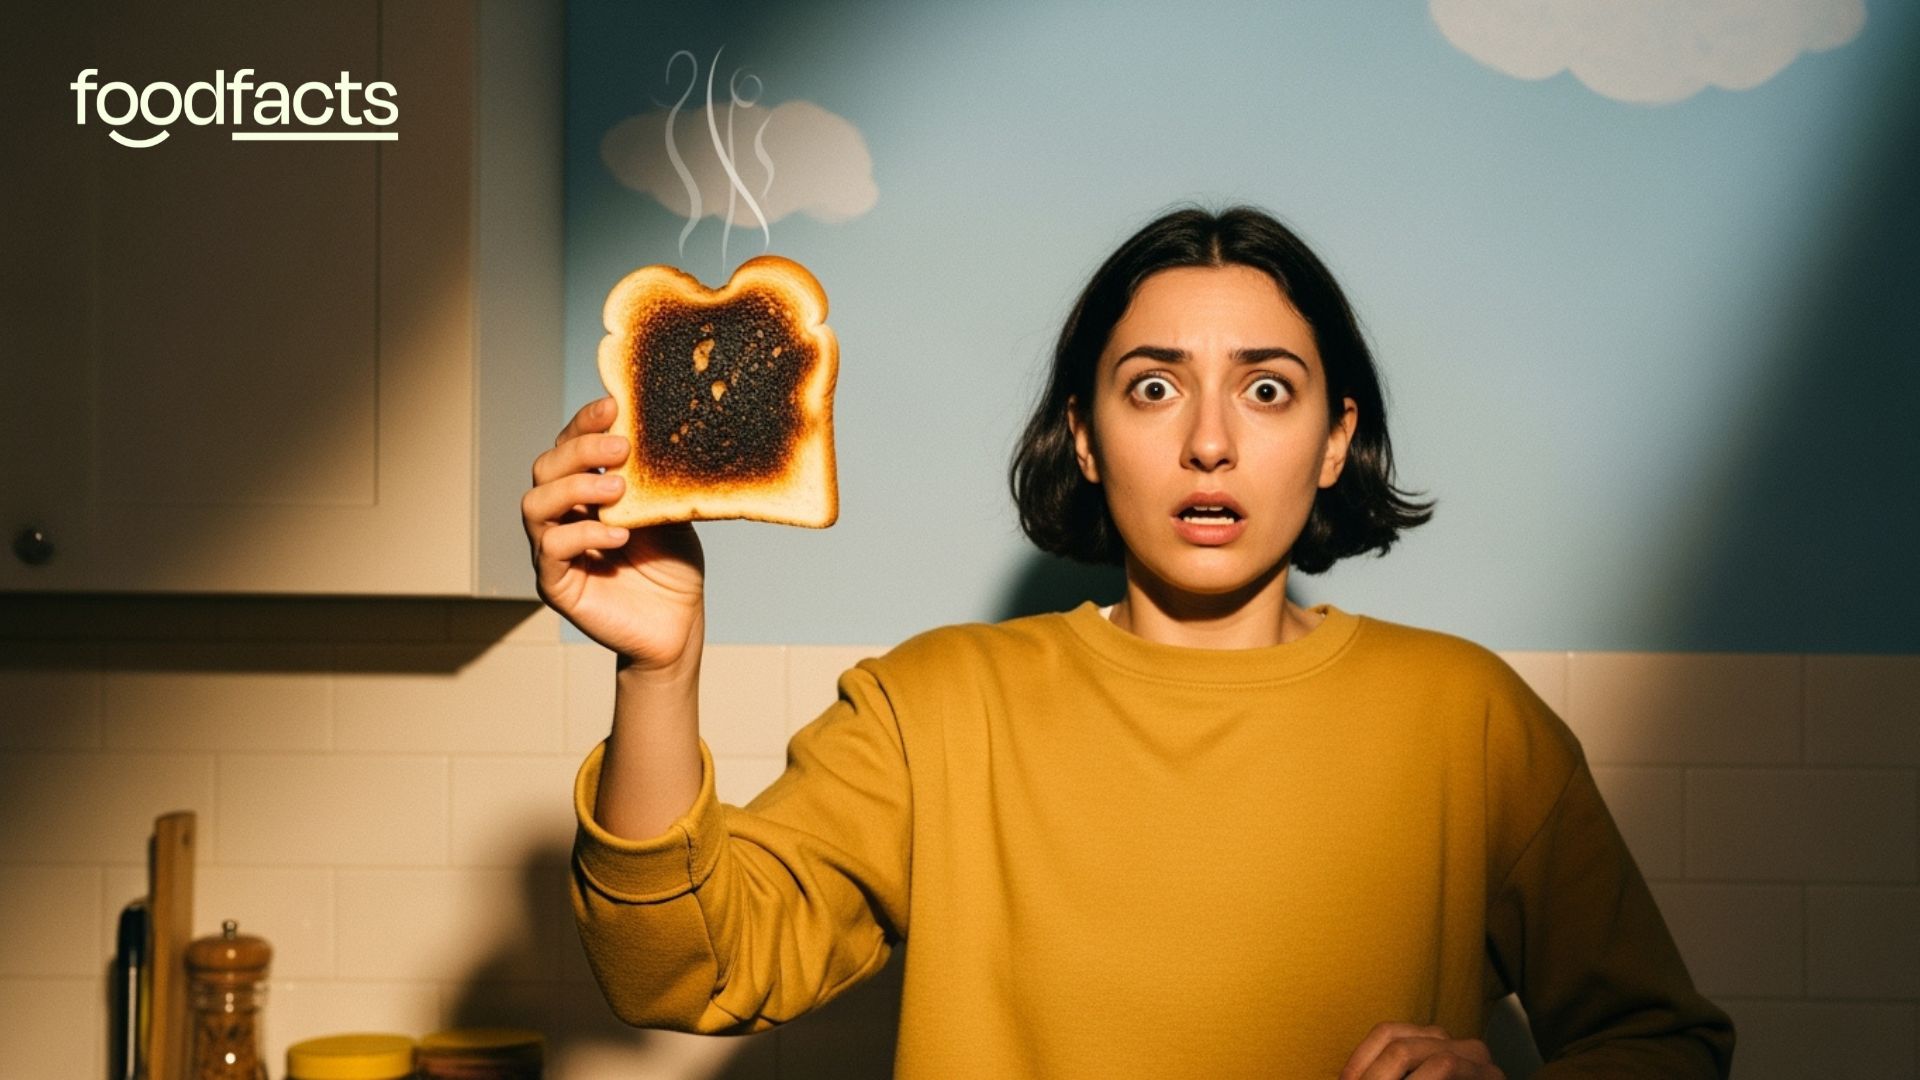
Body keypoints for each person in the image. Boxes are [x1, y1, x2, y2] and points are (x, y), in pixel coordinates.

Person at [522, 206, 1737, 1078]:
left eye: (1267, 389)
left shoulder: (1472, 717)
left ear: (1332, 438)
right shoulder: (935, 704)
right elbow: (679, 973)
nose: (1210, 441)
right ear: (1087, 438)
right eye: (1153, 387)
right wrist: (659, 668)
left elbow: (1665, 1042)